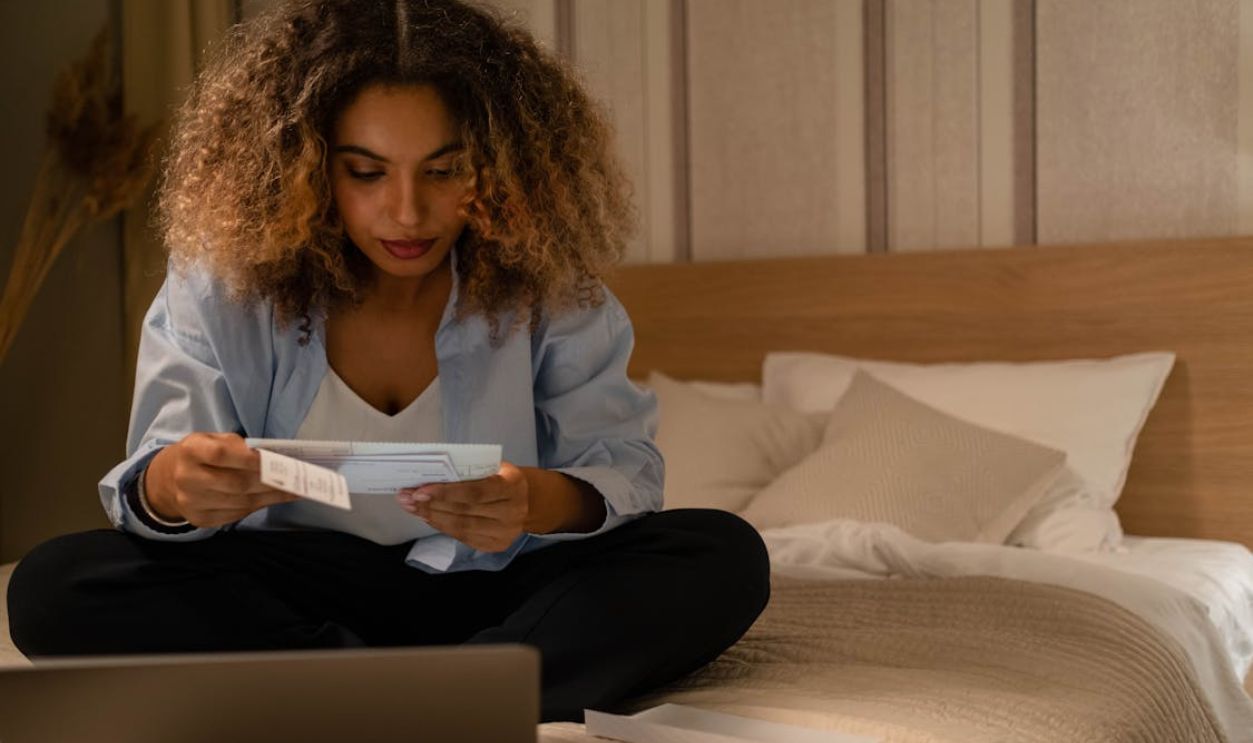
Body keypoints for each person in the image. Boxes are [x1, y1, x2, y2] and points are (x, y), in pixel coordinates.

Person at [4, 0, 769, 724]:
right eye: (366, 172)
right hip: (298, 589)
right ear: (303, 166)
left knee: (720, 553)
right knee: (52, 586)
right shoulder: (221, 284)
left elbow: (623, 472)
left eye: (443, 170)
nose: (407, 212)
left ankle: (383, 696)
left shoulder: (553, 288)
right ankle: (444, 696)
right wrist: (178, 485)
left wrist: (532, 500)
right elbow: (155, 479)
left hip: (496, 589)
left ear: (502, 166)